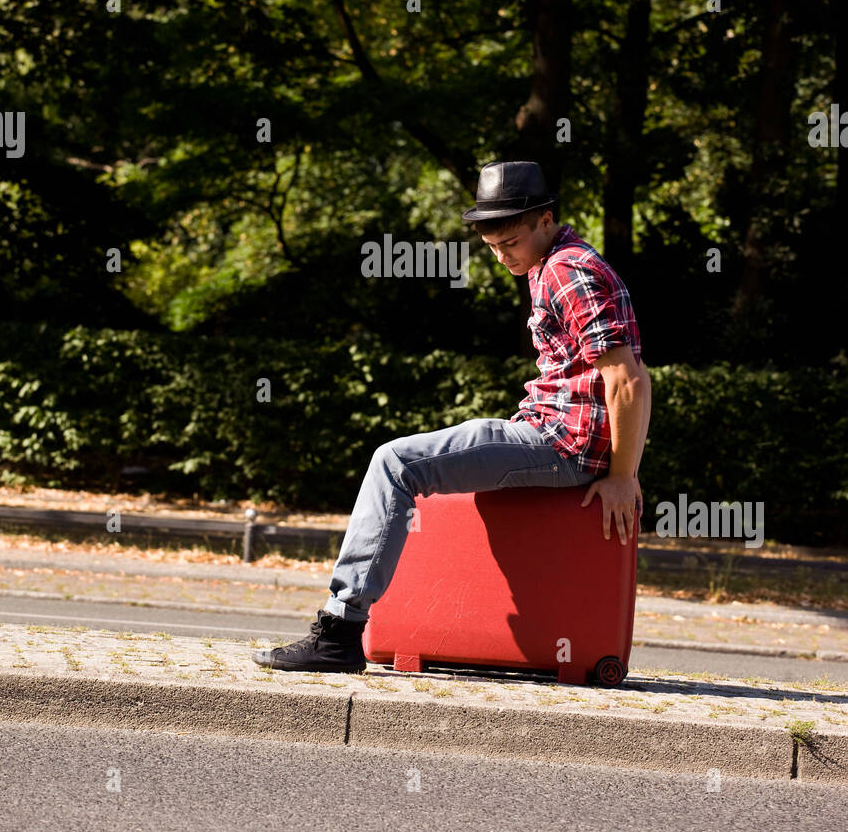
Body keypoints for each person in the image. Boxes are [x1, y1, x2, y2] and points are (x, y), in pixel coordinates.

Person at [252, 160, 651, 673]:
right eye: (491, 247)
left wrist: (623, 476)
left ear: (546, 220)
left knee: (396, 462)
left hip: (561, 443)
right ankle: (345, 628)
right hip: (555, 433)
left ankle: (339, 632)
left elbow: (629, 379)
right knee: (412, 460)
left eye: (509, 242)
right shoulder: (555, 263)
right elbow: (634, 370)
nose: (501, 255)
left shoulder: (568, 271)